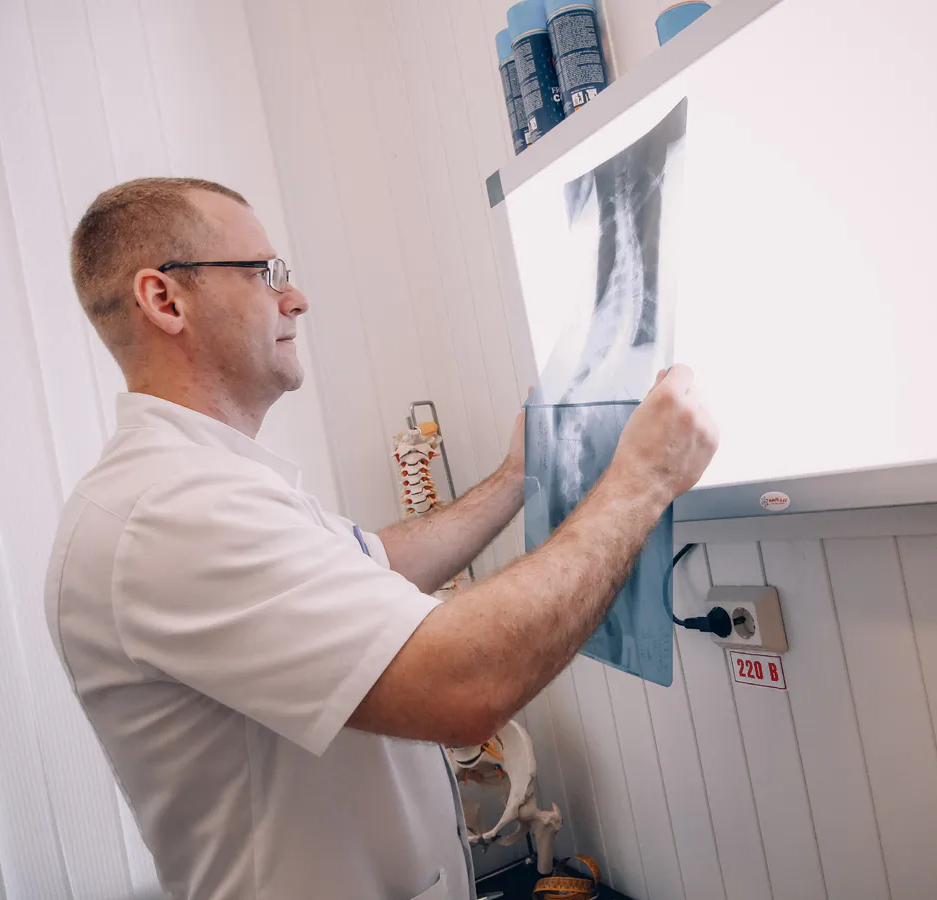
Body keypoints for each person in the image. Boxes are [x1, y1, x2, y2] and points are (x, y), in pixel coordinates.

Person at [46, 176, 718, 900]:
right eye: (265, 272)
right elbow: (465, 688)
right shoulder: (170, 512)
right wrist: (643, 480)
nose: (295, 298)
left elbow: (378, 564)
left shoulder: (202, 486)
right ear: (165, 300)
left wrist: (517, 476)